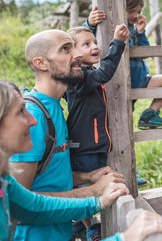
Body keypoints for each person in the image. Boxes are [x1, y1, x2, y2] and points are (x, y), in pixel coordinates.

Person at [0, 80, 162, 241]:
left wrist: (97, 202)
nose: (33, 120)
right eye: (21, 111)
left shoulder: (5, 181)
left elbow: (35, 206)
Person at [9, 30, 126, 241]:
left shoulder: (54, 106)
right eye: (66, 49)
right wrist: (93, 193)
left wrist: (86, 177)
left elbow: (44, 175)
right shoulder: (33, 117)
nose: (77, 55)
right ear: (41, 63)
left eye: (74, 46)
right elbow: (18, 203)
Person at [65, 22, 129, 239]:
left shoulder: (86, 73)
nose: (94, 47)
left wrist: (89, 24)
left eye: (94, 42)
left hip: (94, 145)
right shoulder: (80, 78)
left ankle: (79, 224)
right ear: (73, 53)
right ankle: (89, 224)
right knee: (85, 187)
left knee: (94, 183)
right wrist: (117, 43)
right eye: (86, 44)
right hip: (84, 146)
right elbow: (105, 73)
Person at [83, 0, 162, 130]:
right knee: (120, 122)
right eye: (132, 11)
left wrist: (141, 32)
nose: (136, 15)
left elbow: (145, 52)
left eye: (139, 11)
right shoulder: (109, 25)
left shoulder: (134, 28)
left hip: (139, 79)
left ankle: (149, 115)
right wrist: (89, 23)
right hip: (118, 82)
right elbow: (81, 36)